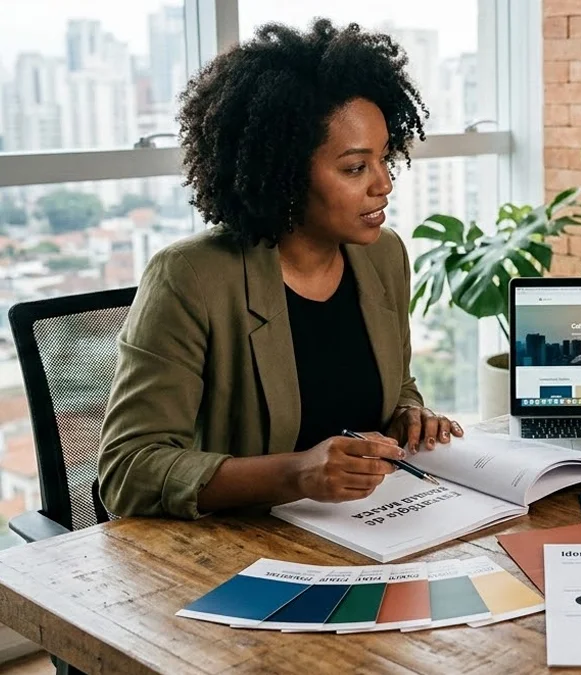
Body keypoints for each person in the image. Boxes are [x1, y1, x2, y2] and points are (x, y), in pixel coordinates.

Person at [98, 19, 463, 519]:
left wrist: (409, 415)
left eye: (385, 159)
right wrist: (297, 474)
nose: (384, 184)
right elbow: (128, 470)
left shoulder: (383, 255)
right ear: (284, 173)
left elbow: (396, 385)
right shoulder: (190, 277)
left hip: (372, 527)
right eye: (355, 168)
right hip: (241, 542)